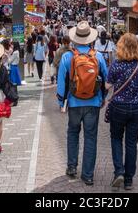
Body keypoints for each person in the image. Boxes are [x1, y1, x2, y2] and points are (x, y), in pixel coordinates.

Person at [57, 21, 108, 186]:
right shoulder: (98, 56)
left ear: (75, 39)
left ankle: (72, 167)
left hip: (73, 102)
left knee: (72, 133)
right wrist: (102, 97)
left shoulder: (67, 56)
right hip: (93, 102)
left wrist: (61, 101)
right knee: (90, 137)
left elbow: (61, 83)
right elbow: (105, 79)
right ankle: (88, 175)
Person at [105, 34, 138, 190]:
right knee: (131, 142)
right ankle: (129, 179)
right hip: (137, 107)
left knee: (116, 138)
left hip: (119, 106)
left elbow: (107, 86)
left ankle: (119, 172)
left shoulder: (116, 65)